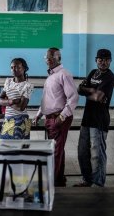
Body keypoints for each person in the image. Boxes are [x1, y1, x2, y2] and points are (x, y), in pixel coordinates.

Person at [33, 47, 79, 187]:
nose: (47, 60)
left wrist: (62, 116)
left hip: (58, 117)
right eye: (46, 57)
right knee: (57, 149)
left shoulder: (64, 74)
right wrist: (39, 114)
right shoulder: (51, 75)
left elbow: (73, 97)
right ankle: (59, 179)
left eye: (50, 57)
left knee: (56, 150)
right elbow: (48, 98)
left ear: (58, 57)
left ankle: (52, 182)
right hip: (49, 117)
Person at [74, 49, 114, 187]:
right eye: (100, 59)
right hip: (87, 118)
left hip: (99, 120)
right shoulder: (93, 72)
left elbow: (98, 97)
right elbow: (79, 89)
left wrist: (89, 90)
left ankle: (98, 183)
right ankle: (87, 179)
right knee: (82, 151)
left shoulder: (110, 77)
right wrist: (91, 90)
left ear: (110, 61)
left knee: (97, 154)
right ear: (96, 60)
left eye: (106, 60)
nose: (103, 62)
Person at [0, 58, 34, 140]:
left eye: (18, 67)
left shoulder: (28, 85)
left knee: (20, 149)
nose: (14, 69)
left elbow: (21, 108)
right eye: (12, 67)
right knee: (5, 147)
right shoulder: (8, 81)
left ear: (24, 69)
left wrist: (6, 101)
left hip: (21, 120)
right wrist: (13, 101)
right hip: (8, 119)